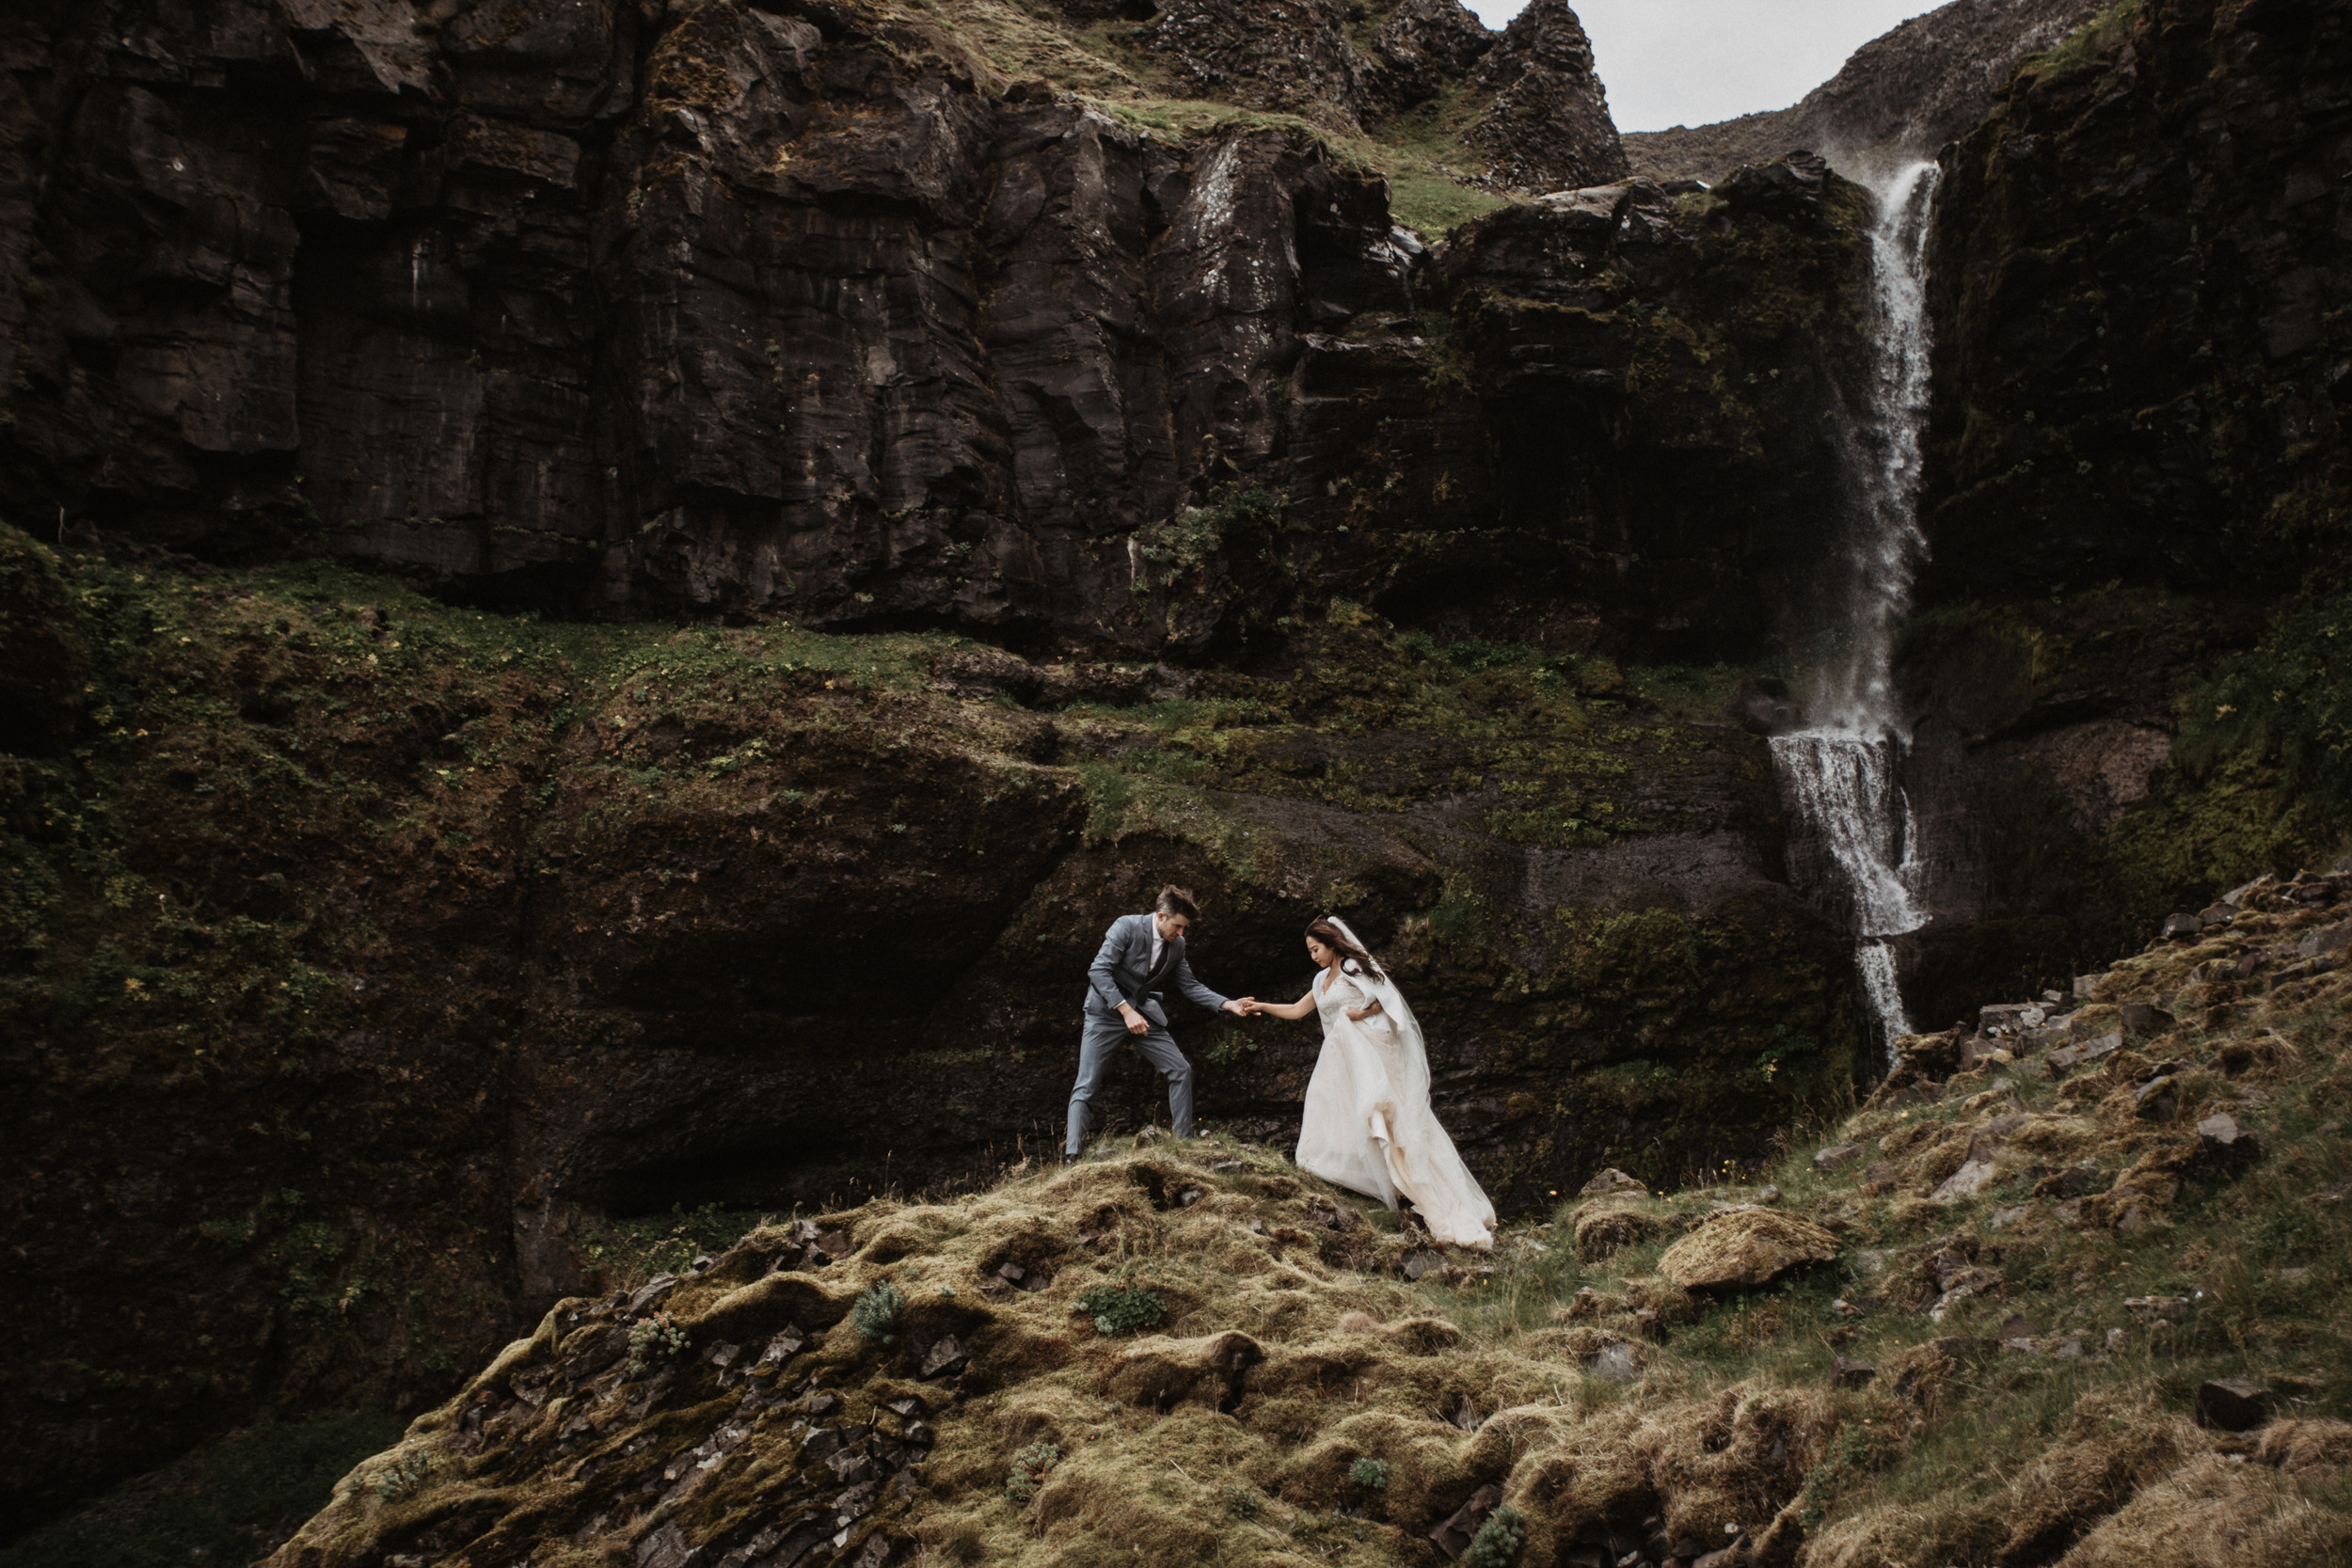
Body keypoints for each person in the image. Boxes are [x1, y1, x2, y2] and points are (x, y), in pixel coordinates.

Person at [1246, 915, 1494, 1249]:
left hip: (1366, 1052)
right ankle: (1371, 1180)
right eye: (1309, 951)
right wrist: (1260, 1005)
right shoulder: (1321, 980)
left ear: (1332, 944)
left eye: (1316, 948)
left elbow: (1385, 1003)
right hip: (1339, 1057)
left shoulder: (1352, 968)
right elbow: (1296, 1010)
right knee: (1339, 1113)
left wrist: (1359, 1014)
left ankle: (1422, 1190)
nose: (1314, 956)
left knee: (1386, 1118)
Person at [1068, 885, 1255, 1160]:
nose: (1180, 933)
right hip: (1105, 1014)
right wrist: (1124, 1010)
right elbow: (1098, 970)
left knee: (1181, 1069)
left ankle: (1184, 1145)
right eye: (1177, 926)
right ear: (1160, 916)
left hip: (1143, 1014)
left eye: (1184, 928)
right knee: (1087, 1083)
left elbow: (1190, 985)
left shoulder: (1177, 945)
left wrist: (1228, 1003)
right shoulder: (1127, 926)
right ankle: (1073, 1154)